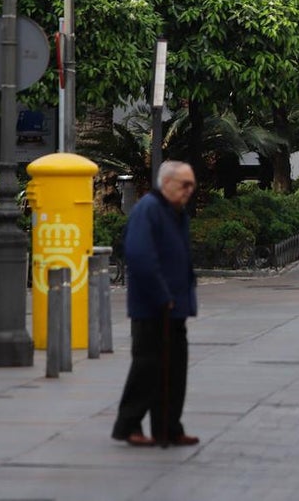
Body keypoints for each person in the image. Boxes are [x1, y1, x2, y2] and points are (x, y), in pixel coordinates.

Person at [111, 160, 200, 447]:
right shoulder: (148, 209)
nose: (189, 190)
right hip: (153, 308)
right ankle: (129, 425)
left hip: (175, 307)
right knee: (147, 368)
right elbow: (140, 257)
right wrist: (163, 296)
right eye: (184, 184)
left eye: (192, 185)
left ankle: (168, 427)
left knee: (174, 370)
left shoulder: (176, 212)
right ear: (167, 183)